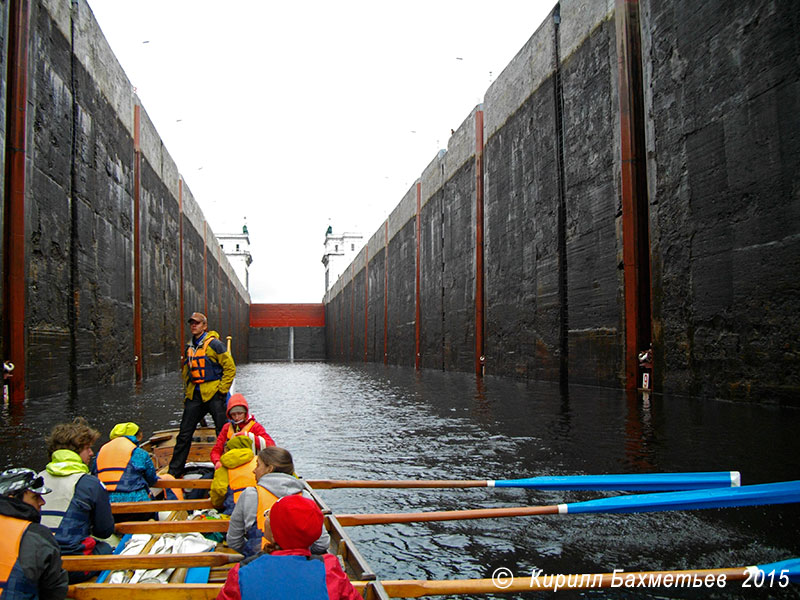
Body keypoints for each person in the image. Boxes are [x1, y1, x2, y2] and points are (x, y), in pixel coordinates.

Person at [217, 495, 361, 600]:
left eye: (269, 516)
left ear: (275, 533)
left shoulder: (242, 571)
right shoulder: (330, 569)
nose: (266, 518)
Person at [39, 417, 115, 583]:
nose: (91, 453)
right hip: (72, 568)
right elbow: (104, 531)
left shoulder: (36, 479)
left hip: (38, 566)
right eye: (87, 448)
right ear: (75, 451)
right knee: (106, 547)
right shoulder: (91, 484)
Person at [226, 447, 329, 558]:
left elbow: (234, 541)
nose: (254, 470)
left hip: (260, 563)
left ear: (269, 469)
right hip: (300, 563)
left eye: (258, 465)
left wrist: (251, 554)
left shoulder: (249, 495)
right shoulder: (305, 496)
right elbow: (322, 543)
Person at [168, 312, 236, 478]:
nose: (194, 325)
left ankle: (229, 467)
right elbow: (186, 372)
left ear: (204, 326)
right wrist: (187, 394)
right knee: (184, 433)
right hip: (195, 396)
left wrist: (222, 390)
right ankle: (174, 471)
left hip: (214, 394)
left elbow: (230, 368)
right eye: (192, 323)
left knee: (223, 432)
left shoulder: (215, 345)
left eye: (197, 323)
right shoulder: (190, 347)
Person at [0, 468, 68, 600]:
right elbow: (55, 590)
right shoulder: (38, 535)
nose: (42, 502)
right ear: (12, 498)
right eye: (35, 496)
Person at [94, 422, 158, 521]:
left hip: (107, 507)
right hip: (138, 507)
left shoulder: (100, 453)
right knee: (151, 500)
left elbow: (95, 476)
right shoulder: (139, 453)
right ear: (137, 436)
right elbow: (151, 479)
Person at [209, 393, 275, 469]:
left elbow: (271, 446)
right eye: (233, 414)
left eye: (240, 413)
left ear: (245, 413)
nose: (237, 418)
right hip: (230, 464)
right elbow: (216, 450)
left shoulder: (255, 427)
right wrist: (217, 462)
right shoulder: (227, 428)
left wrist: (249, 437)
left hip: (250, 466)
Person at [209, 435, 258, 514]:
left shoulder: (224, 467)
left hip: (234, 509)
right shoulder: (258, 462)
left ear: (227, 449)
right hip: (259, 507)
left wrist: (217, 505)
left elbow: (219, 490)